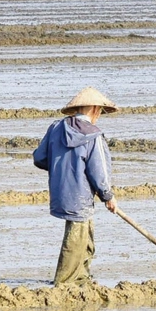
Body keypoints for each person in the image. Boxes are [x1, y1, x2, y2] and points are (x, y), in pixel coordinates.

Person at [33, 87, 119, 286]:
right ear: (95, 109)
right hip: (80, 196)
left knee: (85, 238)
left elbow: (39, 158)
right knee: (76, 238)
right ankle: (64, 283)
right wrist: (108, 196)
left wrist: (61, 169)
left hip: (60, 192)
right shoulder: (94, 136)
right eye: (100, 111)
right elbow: (99, 172)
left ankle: (82, 279)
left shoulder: (55, 128)